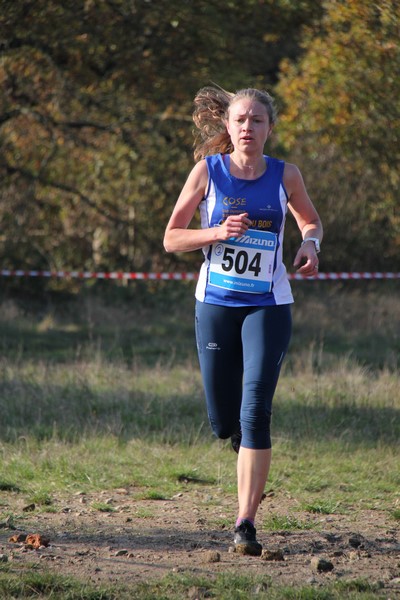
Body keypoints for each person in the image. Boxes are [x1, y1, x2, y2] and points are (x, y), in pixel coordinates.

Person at [163, 86, 323, 555]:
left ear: (270, 127)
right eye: (240, 120)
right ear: (227, 126)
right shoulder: (207, 172)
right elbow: (172, 238)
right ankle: (236, 436)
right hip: (215, 303)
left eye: (257, 120)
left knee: (256, 411)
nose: (248, 127)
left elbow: (310, 221)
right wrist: (216, 231)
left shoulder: (285, 174)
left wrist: (309, 243)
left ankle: (245, 522)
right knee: (223, 420)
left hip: (268, 305)